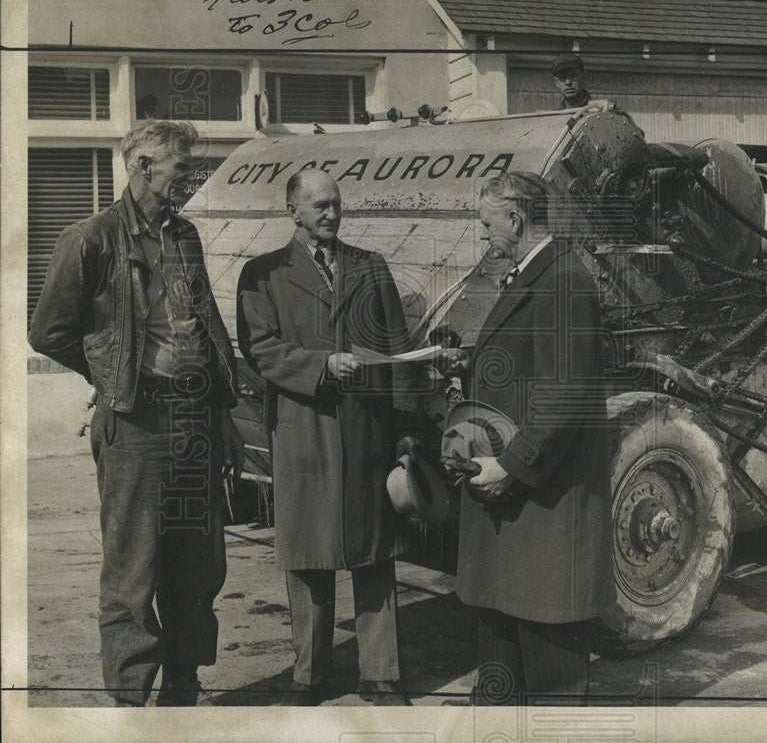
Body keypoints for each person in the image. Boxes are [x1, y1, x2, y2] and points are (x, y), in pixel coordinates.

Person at [29, 119, 242, 707]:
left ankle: (184, 685)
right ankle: (128, 701)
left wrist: (223, 410)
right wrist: (111, 371)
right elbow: (48, 332)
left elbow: (208, 325)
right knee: (132, 570)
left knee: (196, 563)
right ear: (142, 166)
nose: (190, 176)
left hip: (194, 419)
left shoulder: (186, 236)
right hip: (136, 421)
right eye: (181, 167)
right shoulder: (90, 239)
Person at [236, 168, 419, 707]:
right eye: (319, 206)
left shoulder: (371, 266)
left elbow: (398, 351)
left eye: (336, 204)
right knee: (308, 554)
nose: (332, 215)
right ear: (292, 209)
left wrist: (406, 430)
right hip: (303, 431)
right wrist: (320, 365)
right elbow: (261, 347)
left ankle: (382, 676)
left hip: (367, 432)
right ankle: (309, 677)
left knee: (375, 552)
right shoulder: (264, 274)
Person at [447, 171, 613, 705]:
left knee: (555, 686)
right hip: (522, 519)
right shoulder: (536, 274)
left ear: (516, 220)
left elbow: (564, 393)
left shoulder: (563, 279)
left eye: (487, 225)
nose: (484, 237)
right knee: (503, 676)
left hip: (546, 514)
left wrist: (511, 465)